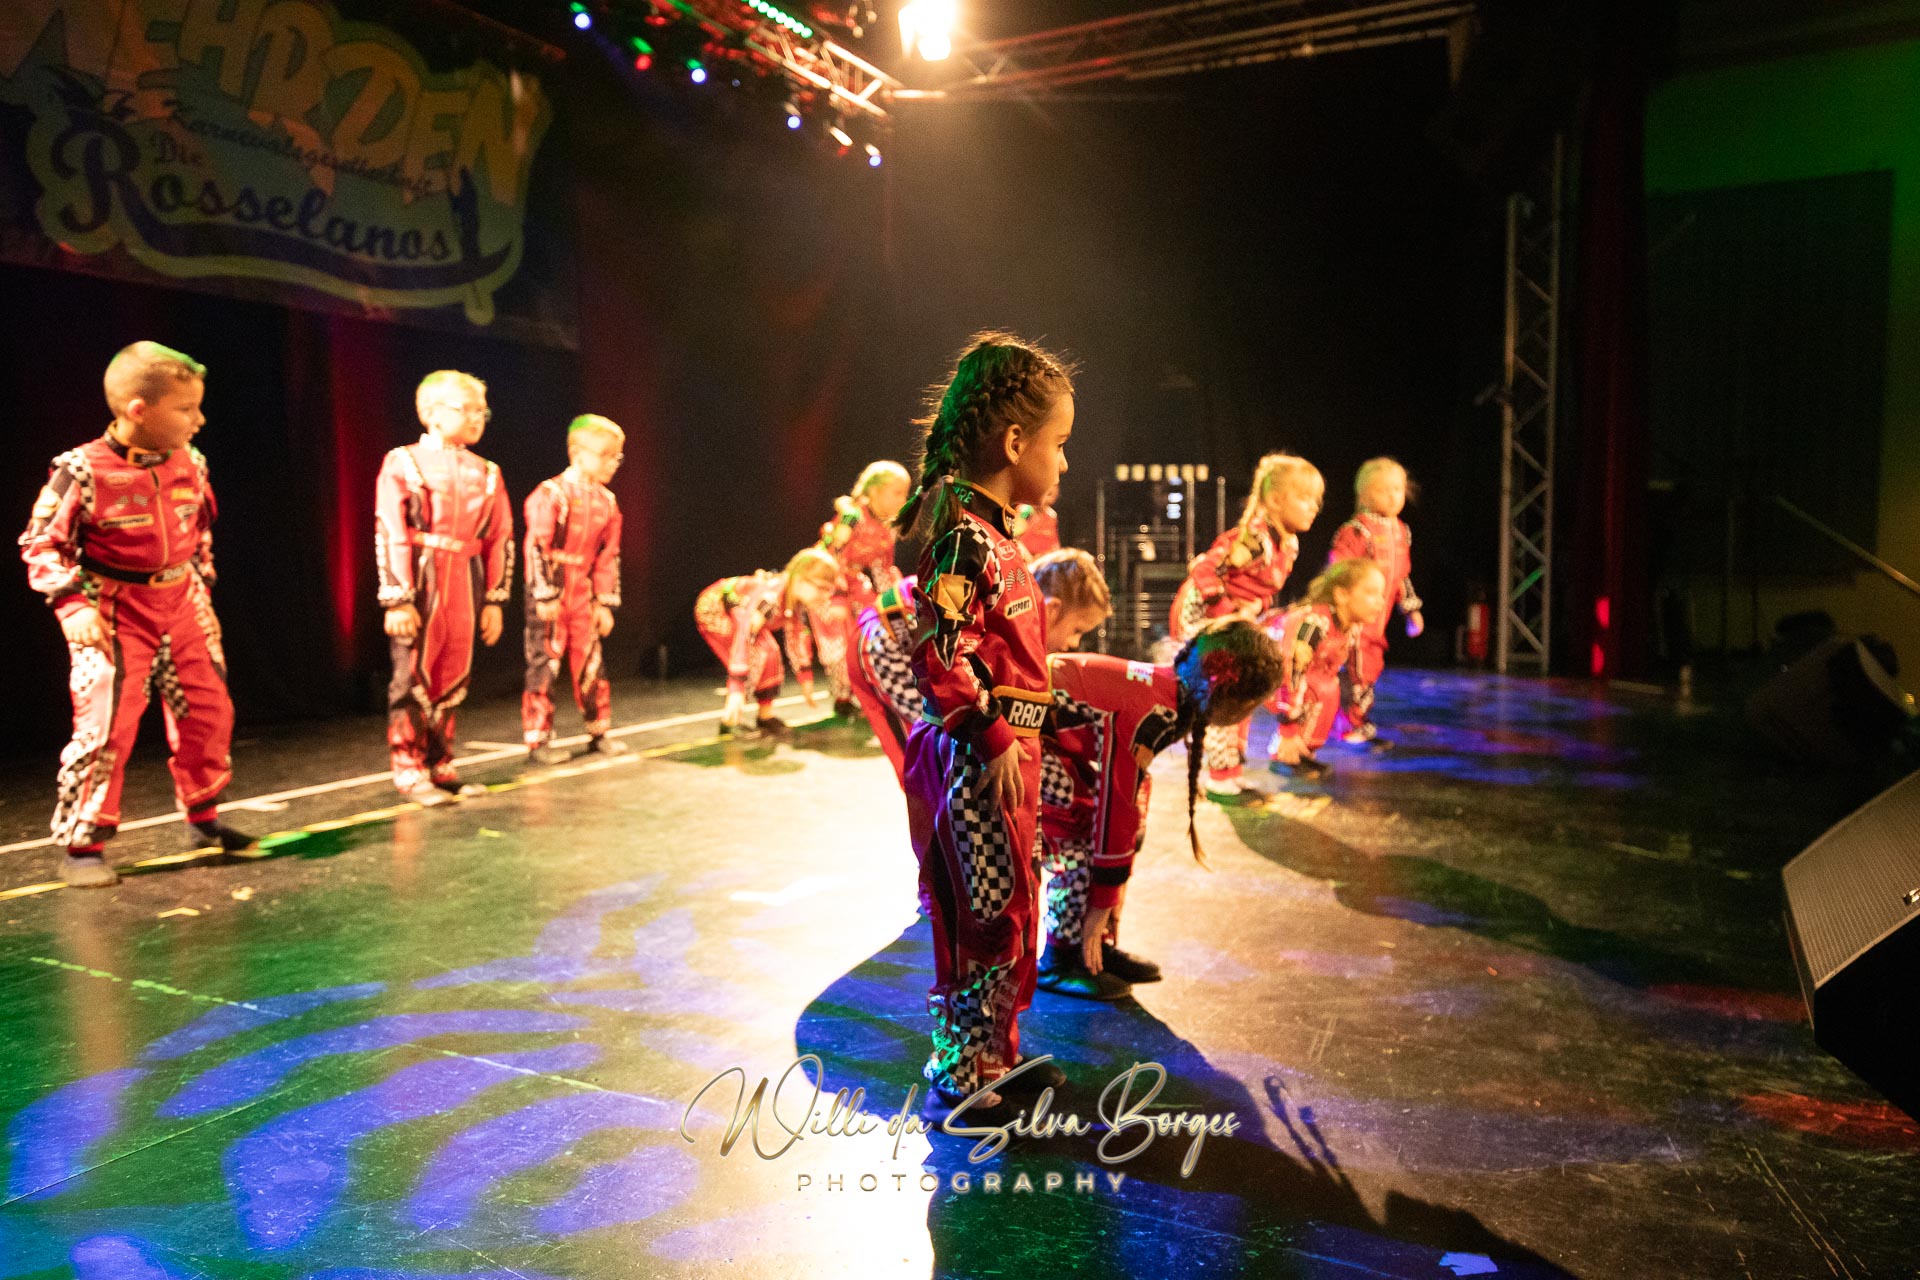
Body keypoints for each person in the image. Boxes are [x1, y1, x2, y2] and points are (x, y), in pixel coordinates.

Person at [895, 332, 1076, 1126]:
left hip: (1011, 757)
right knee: (984, 912)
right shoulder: (964, 538)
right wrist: (993, 734)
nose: (1064, 462)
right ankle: (961, 1067)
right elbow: (939, 647)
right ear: (1014, 442)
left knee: (1013, 906)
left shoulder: (998, 537)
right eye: (1058, 444)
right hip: (980, 762)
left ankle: (995, 1051)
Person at [21, 341, 252, 887]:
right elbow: (41, 542)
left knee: (209, 710)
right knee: (107, 723)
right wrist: (71, 603)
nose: (199, 419)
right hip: (114, 608)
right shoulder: (81, 470)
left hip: (183, 601)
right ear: (138, 410)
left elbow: (200, 527)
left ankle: (204, 818)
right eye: (186, 409)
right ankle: (83, 844)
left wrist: (201, 582)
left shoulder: (191, 462)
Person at [1040, 618, 1285, 998]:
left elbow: (1129, 795)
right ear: (1233, 697)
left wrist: (1111, 893)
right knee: (1080, 833)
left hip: (1044, 737)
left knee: (1105, 834)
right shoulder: (1155, 711)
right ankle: (1060, 959)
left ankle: (1090, 951)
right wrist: (1102, 903)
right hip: (1022, 735)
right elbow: (1116, 804)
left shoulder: (1169, 695)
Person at [376, 370, 514, 805]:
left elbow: (500, 538)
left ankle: (441, 763)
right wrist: (398, 598)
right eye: (466, 409)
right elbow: (391, 530)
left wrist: (494, 599)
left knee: (453, 674)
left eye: (481, 411)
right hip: (422, 579)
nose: (476, 418)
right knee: (413, 675)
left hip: (465, 582)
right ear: (431, 413)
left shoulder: (487, 472)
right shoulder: (404, 461)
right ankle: (409, 768)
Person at [1168, 452, 1323, 800]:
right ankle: (1220, 777)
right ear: (1276, 500)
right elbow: (1204, 570)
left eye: (1316, 500)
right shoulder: (1256, 542)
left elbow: (1260, 591)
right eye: (1304, 497)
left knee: (1243, 686)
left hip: (1232, 618)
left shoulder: (1287, 543)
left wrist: (1255, 610)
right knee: (1226, 691)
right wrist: (1226, 611)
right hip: (1204, 614)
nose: (1313, 507)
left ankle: (1231, 769)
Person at [523, 415, 627, 765]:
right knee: (546, 662)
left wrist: (604, 603)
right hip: (553, 589)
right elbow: (537, 546)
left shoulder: (607, 502)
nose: (612, 463)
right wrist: (545, 594)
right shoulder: (551, 493)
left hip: (583, 590)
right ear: (577, 453)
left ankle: (599, 731)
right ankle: (538, 739)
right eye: (604, 455)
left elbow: (609, 555)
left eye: (617, 457)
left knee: (591, 661)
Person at [1262, 558, 1389, 779]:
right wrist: (1288, 728)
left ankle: (1301, 753)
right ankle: (1283, 754)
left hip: (1284, 674)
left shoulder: (1348, 627)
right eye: (1370, 593)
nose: (1380, 602)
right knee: (1318, 686)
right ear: (1341, 595)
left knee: (1329, 685)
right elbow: (1289, 671)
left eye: (1381, 594)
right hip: (1260, 667)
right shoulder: (1315, 624)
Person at [1328, 457, 1423, 747]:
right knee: (1356, 668)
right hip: (1355, 619)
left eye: (1398, 489)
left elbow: (1402, 576)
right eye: (1383, 490)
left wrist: (1411, 611)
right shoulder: (1358, 530)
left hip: (1377, 622)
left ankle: (1354, 719)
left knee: (1369, 668)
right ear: (1364, 494)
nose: (1393, 496)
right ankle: (1350, 722)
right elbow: (1339, 571)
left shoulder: (1401, 531)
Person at [693, 547, 839, 735]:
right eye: (822, 588)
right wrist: (736, 686)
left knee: (771, 652)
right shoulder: (770, 598)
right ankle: (730, 718)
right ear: (800, 578)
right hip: (714, 608)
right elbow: (744, 634)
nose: (826, 596)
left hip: (739, 614)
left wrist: (805, 677)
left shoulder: (795, 601)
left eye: (829, 590)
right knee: (759, 652)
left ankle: (765, 716)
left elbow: (797, 637)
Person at [816, 461, 910, 717]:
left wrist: (891, 600)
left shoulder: (887, 526)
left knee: (876, 623)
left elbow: (882, 567)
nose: (903, 500)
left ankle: (879, 687)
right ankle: (843, 699)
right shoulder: (852, 517)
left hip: (855, 581)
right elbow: (833, 555)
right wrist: (837, 597)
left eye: (905, 493)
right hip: (824, 580)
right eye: (897, 493)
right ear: (875, 491)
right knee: (838, 637)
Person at [1012, 481, 1061, 560]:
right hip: (1026, 559)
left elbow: (1054, 544)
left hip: (1043, 560)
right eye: (1049, 493)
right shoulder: (1025, 511)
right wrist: (1029, 558)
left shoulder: (1051, 515)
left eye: (1056, 487)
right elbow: (1014, 538)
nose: (1054, 491)